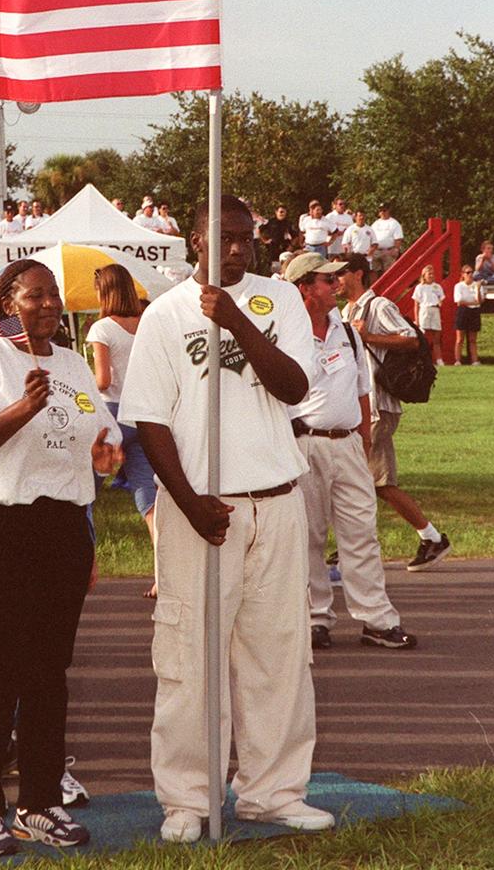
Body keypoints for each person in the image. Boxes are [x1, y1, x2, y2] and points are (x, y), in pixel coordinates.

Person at [118, 195, 334, 842]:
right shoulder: (163, 314)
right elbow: (149, 419)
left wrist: (238, 322)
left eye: (246, 238)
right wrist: (185, 501)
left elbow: (295, 387)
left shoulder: (280, 300)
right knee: (189, 656)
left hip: (275, 496)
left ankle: (272, 792)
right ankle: (187, 798)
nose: (238, 249)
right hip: (201, 508)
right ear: (196, 240)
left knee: (278, 655)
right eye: (225, 238)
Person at [0, 260, 120, 856]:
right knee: (0, 673)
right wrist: (24, 407)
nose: (48, 303)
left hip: (62, 526)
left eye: (54, 295)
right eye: (34, 294)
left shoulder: (73, 364)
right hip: (0, 526)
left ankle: (40, 802)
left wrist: (104, 457)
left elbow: (99, 438)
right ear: (6, 302)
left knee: (50, 672)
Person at [284, 253, 416, 651]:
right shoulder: (285, 335)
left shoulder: (348, 331)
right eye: (326, 280)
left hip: (348, 445)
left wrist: (362, 437)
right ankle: (314, 619)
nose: (336, 284)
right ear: (306, 288)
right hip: (304, 443)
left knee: (361, 533)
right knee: (308, 535)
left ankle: (377, 620)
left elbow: (362, 388)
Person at [337, 254, 452, 570]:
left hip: (379, 407)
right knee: (364, 480)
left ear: (359, 273)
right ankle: (354, 544)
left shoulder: (379, 306)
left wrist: (368, 336)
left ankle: (430, 538)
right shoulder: (349, 310)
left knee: (377, 482)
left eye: (342, 272)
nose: (337, 279)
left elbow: (411, 339)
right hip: (365, 408)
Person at [86, 265, 156, 586]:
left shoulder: (102, 328)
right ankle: (163, 574)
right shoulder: (146, 325)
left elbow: (103, 380)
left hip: (111, 413)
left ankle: (87, 563)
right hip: (142, 414)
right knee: (148, 499)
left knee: (85, 493)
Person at [412, 265, 445, 366]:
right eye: (429, 274)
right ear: (424, 275)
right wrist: (417, 319)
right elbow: (416, 304)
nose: (431, 275)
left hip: (435, 310)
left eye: (432, 274)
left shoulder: (437, 286)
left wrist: (440, 302)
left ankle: (439, 360)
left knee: (436, 336)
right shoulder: (420, 287)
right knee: (423, 335)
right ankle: (421, 359)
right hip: (425, 310)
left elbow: (442, 297)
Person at [453, 266, 482, 366]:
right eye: (468, 272)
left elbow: (479, 300)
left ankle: (474, 360)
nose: (470, 274)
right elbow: (459, 301)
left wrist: (477, 290)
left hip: (474, 312)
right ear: (463, 274)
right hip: (463, 312)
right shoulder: (459, 286)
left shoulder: (477, 285)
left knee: (472, 339)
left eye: (471, 272)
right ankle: (457, 360)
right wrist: (472, 302)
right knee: (460, 339)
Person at [258, 204, 296, 271]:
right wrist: (264, 241)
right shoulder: (270, 222)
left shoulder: (288, 223)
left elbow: (295, 236)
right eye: (280, 212)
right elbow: (259, 230)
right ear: (276, 212)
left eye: (284, 212)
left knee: (286, 268)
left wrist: (292, 246)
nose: (282, 214)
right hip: (273, 248)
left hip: (285, 248)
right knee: (274, 269)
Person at [370, 205, 404, 277]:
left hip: (389, 251)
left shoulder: (394, 223)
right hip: (376, 251)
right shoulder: (375, 224)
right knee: (374, 272)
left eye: (384, 210)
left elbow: (398, 238)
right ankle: (375, 288)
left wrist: (396, 249)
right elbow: (370, 237)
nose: (382, 212)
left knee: (388, 273)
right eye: (381, 211)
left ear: (388, 211)